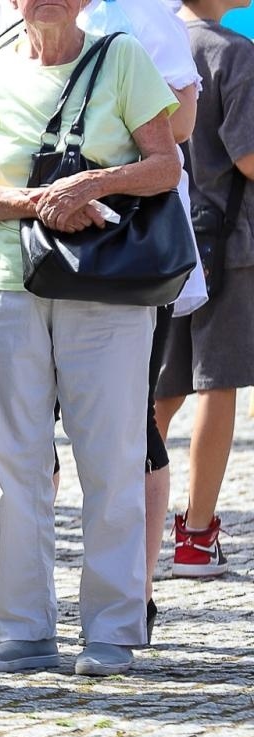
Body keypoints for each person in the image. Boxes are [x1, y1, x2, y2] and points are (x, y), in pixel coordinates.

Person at [0, 0, 201, 646]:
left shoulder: (123, 58)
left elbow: (167, 164)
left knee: (111, 457)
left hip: (107, 285)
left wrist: (92, 186)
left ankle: (113, 630)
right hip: (5, 285)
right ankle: (22, 628)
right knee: (15, 467)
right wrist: (39, 202)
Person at [154, 0, 254, 579]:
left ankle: (129, 523)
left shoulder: (154, 43)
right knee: (220, 383)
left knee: (161, 389)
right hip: (230, 243)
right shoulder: (235, 52)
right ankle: (196, 535)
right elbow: (247, 157)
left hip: (164, 242)